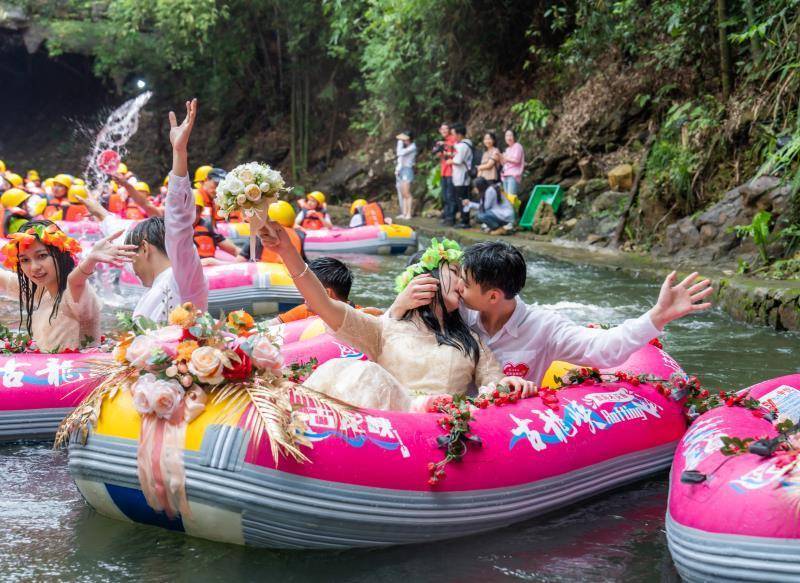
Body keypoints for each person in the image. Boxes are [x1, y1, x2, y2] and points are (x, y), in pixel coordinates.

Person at [257, 229, 534, 411]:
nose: (462, 283)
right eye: (454, 272)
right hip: (388, 427)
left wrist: (510, 384)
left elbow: (493, 384)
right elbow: (322, 303)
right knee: (355, 370)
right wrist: (287, 251)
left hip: (439, 429)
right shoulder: (384, 327)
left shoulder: (472, 341)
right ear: (426, 280)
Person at [390, 241, 714, 391]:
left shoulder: (544, 327)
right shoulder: (458, 309)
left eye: (465, 282)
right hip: (444, 409)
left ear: (493, 296)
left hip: (503, 426)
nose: (458, 286)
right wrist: (400, 303)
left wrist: (657, 317)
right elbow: (400, 335)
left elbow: (604, 349)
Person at [83, 98, 208, 322]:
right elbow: (120, 232)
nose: (131, 268)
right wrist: (98, 211)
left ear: (145, 248)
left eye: (132, 259)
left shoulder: (182, 275)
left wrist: (179, 152)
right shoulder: (156, 279)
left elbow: (179, 222)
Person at [0, 220, 135, 351]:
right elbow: (6, 281)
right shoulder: (42, 292)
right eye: (25, 260)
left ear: (60, 254)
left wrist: (91, 260)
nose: (34, 267)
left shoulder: (74, 293)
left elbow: (75, 282)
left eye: (42, 256)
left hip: (82, 366)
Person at [266, 257, 382, 325]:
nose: (303, 296)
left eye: (307, 291)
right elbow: (267, 327)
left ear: (326, 293)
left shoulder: (362, 315)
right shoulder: (303, 312)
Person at [238, 200, 306, 263]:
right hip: (291, 271)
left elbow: (240, 260)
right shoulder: (301, 234)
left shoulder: (259, 234)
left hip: (264, 270)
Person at [191, 191, 246, 264]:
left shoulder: (207, 227)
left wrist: (250, 258)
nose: (193, 215)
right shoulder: (176, 231)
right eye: (189, 210)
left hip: (208, 268)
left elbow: (234, 250)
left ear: (201, 212)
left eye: (197, 211)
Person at [446, 123, 473, 227]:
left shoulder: (462, 146)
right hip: (461, 175)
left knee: (462, 198)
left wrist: (450, 161)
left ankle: (465, 221)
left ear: (459, 134)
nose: (453, 136)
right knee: (462, 198)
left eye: (453, 134)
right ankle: (464, 219)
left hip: (462, 176)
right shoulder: (466, 143)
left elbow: (458, 160)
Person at [434, 123, 456, 218]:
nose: (443, 131)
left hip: (451, 171)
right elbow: (439, 155)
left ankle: (451, 217)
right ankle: (447, 215)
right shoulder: (442, 142)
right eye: (442, 129)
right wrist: (438, 152)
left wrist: (445, 145)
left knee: (450, 195)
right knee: (445, 196)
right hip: (444, 171)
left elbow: (457, 152)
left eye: (446, 129)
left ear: (449, 130)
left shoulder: (453, 139)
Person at [394, 131, 417, 219]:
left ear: (409, 139)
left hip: (407, 170)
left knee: (407, 193)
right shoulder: (406, 147)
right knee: (403, 193)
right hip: (401, 170)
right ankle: (404, 213)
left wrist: (399, 142)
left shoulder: (412, 147)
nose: (403, 141)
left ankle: (408, 214)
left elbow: (400, 153)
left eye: (405, 139)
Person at [500, 130, 525, 196]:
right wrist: (500, 157)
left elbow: (517, 160)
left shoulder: (517, 146)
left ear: (514, 137)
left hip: (513, 175)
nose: (508, 138)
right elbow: (504, 163)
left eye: (510, 135)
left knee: (511, 198)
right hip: (505, 175)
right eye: (507, 136)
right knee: (507, 199)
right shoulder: (507, 149)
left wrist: (505, 158)